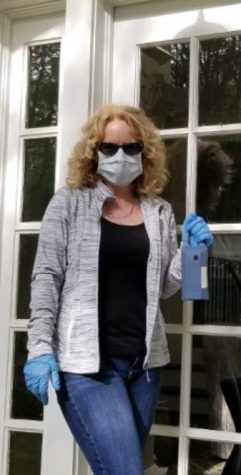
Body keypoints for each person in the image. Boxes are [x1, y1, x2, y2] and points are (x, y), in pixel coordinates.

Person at [23, 104, 213, 475]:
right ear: (94, 152)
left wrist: (194, 253)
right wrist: (39, 347)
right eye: (109, 148)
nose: (120, 156)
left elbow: (165, 288)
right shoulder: (69, 203)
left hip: (144, 368)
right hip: (88, 370)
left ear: (146, 152)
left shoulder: (158, 211)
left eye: (131, 147)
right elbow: (46, 277)